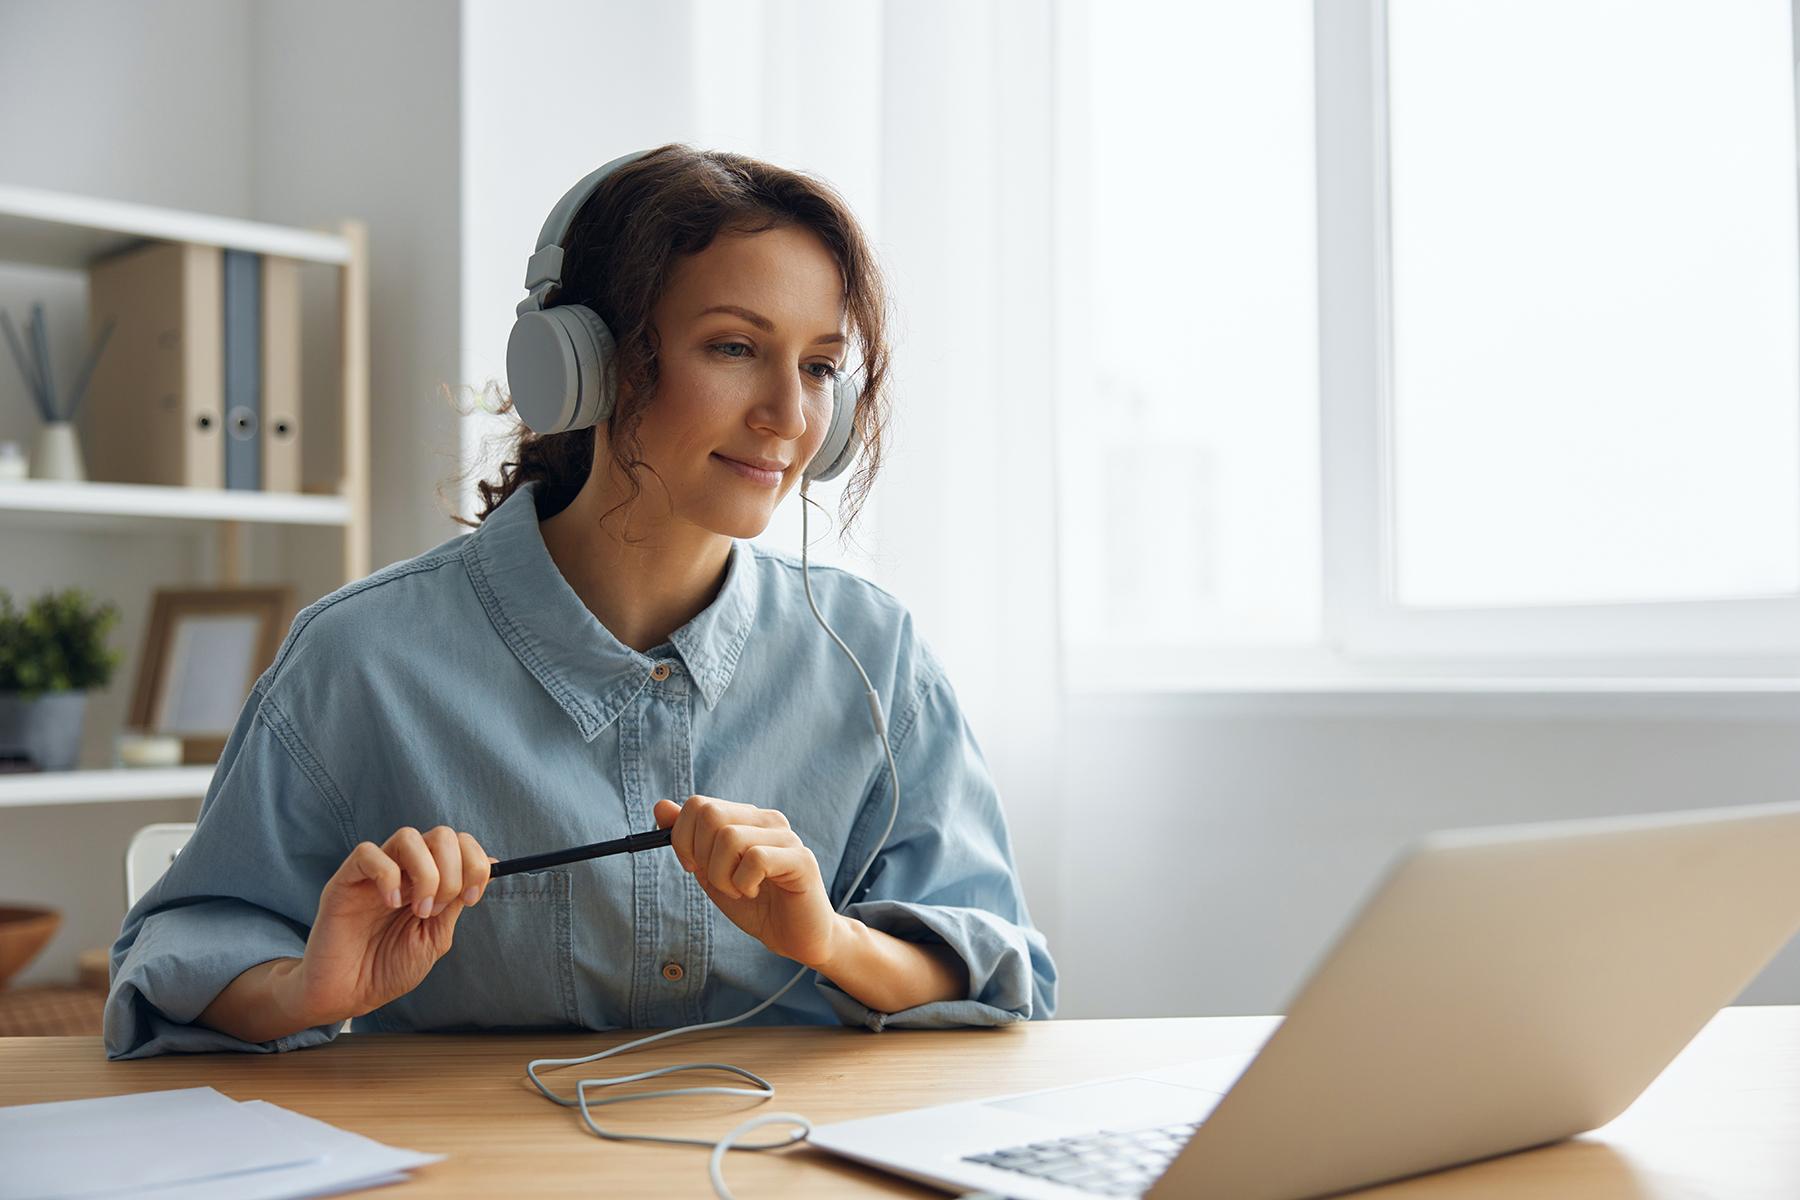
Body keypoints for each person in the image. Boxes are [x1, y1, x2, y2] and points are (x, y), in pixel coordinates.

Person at [104, 143, 1056, 1059]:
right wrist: (309, 988)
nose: (789, 418)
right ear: (579, 364)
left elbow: (999, 970)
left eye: (816, 367)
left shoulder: (874, 653)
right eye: (734, 347)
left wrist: (829, 940)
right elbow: (177, 958)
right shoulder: (361, 659)